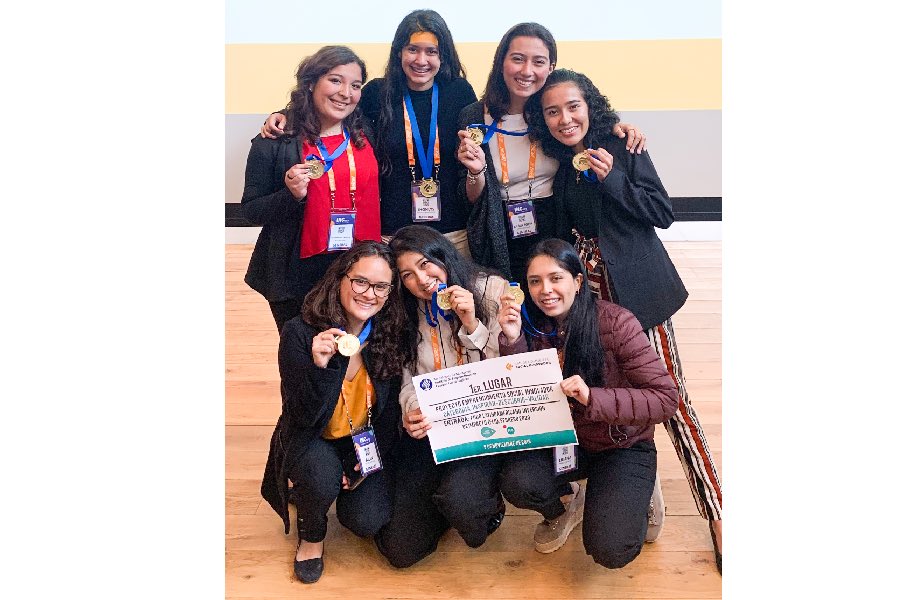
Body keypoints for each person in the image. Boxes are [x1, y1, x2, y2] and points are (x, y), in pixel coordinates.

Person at [526, 69, 724, 573]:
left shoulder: (622, 144)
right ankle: (625, 485)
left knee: (670, 400)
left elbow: (661, 212)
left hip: (639, 295)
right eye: (552, 111)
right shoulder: (562, 164)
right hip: (587, 301)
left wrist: (611, 176)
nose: (565, 118)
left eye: (573, 106)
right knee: (592, 392)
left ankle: (718, 511)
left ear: (590, 105)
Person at [373, 224, 582, 567]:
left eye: (426, 264)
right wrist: (411, 409)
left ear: (443, 256)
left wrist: (471, 325)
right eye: (407, 275)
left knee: (467, 507)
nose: (421, 280)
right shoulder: (406, 310)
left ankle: (489, 503)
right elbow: (410, 378)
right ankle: (451, 503)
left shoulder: (489, 289)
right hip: (444, 431)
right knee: (404, 549)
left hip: (501, 422)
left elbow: (512, 371)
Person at [497, 238, 679, 568]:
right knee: (516, 481)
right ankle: (567, 504)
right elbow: (522, 394)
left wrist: (594, 397)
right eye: (535, 281)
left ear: (578, 281)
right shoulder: (530, 325)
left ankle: (638, 493)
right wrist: (512, 340)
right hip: (564, 441)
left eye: (556, 278)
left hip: (621, 443)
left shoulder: (616, 323)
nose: (545, 290)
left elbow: (665, 399)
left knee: (611, 548)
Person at [262, 10, 477, 257]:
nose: (421, 60)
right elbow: (333, 108)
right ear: (399, 52)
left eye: (431, 51)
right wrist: (285, 114)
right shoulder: (378, 92)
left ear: (443, 55)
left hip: (454, 232)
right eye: (412, 49)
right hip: (394, 234)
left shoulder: (459, 92)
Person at [259, 241, 412, 583]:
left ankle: (326, 485)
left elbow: (386, 416)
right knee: (320, 476)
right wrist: (321, 365)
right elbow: (303, 415)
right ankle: (311, 537)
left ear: (389, 292)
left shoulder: (389, 333)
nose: (368, 294)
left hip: (361, 438)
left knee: (366, 519)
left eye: (380, 286)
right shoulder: (300, 333)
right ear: (340, 279)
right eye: (360, 281)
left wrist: (364, 462)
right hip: (311, 435)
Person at [457, 22, 646, 285]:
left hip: (555, 224)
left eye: (538, 61)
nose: (527, 71)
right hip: (498, 226)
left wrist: (613, 127)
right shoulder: (474, 116)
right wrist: (475, 172)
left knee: (552, 306)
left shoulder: (554, 112)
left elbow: (585, 125)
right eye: (518, 59)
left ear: (551, 68)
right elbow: (471, 199)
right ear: (501, 62)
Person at [242, 45, 382, 332]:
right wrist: (290, 196)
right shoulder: (274, 141)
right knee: (305, 361)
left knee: (354, 358)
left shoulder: (364, 130)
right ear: (309, 83)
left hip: (356, 270)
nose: (346, 93)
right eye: (335, 80)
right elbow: (251, 210)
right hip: (297, 277)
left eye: (355, 85)